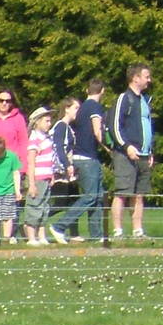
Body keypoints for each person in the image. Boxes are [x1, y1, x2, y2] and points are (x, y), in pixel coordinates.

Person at [53, 80, 107, 244]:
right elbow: (97, 132)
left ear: (86, 90)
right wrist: (109, 149)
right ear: (102, 91)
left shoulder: (81, 109)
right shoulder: (95, 107)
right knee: (91, 196)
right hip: (87, 158)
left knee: (97, 196)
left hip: (82, 158)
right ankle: (59, 226)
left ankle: (96, 235)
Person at [110, 62, 155, 240]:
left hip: (143, 155)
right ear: (135, 78)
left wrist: (150, 151)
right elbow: (114, 126)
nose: (149, 80)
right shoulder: (124, 98)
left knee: (139, 195)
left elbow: (147, 127)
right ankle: (118, 231)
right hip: (125, 155)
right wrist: (127, 146)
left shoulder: (144, 100)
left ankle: (138, 231)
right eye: (146, 77)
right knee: (122, 193)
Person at [44, 98, 80, 242]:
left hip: (67, 171)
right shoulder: (61, 126)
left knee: (74, 201)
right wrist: (67, 165)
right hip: (61, 172)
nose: (78, 111)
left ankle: (74, 233)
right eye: (76, 108)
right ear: (66, 109)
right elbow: (59, 148)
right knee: (61, 203)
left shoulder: (67, 127)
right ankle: (33, 223)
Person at [21, 106, 57, 246]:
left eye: (50, 121)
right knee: (34, 206)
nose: (49, 124)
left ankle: (42, 236)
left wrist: (51, 175)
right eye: (46, 121)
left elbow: (50, 159)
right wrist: (32, 184)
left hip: (46, 177)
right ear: (37, 122)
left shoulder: (47, 137)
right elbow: (31, 162)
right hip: (37, 178)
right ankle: (31, 237)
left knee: (44, 207)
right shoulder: (35, 138)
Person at [0, 89, 27, 184]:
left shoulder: (18, 118)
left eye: (8, 101)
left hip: (12, 166)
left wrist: (23, 166)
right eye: (1, 100)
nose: (4, 103)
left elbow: (23, 142)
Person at [0, 136, 18, 244]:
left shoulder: (12, 157)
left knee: (8, 216)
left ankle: (6, 239)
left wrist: (17, 190)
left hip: (9, 191)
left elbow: (16, 173)